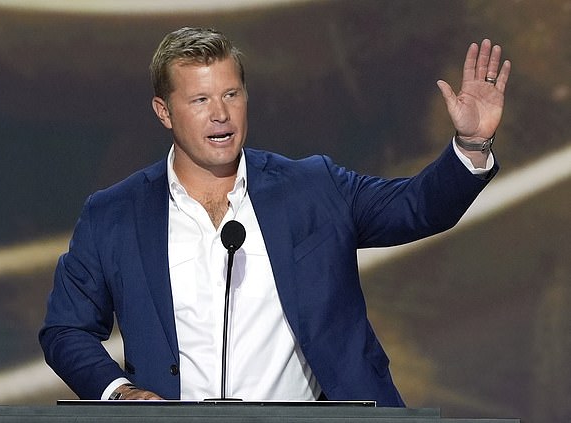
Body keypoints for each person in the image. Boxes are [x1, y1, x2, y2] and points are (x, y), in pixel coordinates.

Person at [39, 27, 511, 406]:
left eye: (231, 94)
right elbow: (66, 329)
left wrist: (471, 145)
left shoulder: (312, 187)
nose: (220, 114)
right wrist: (120, 392)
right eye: (200, 100)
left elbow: (417, 207)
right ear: (164, 112)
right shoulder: (115, 214)